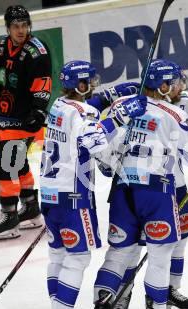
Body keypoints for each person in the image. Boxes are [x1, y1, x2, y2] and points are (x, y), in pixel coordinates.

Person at [93, 59, 188, 309]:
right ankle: (155, 304)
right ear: (163, 86)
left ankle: (104, 302)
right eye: (175, 83)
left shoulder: (122, 105)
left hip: (123, 191)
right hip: (157, 192)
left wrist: (109, 164)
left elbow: (101, 146)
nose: (180, 87)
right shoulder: (174, 114)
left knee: (118, 253)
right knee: (160, 256)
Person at [40, 60, 147, 309]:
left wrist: (108, 98)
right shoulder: (84, 113)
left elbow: (81, 113)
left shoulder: (58, 105)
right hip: (73, 196)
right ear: (80, 84)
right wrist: (120, 116)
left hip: (49, 192)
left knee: (57, 253)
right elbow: (92, 139)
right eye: (90, 80)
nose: (94, 84)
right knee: (78, 258)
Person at [0, 5, 52, 240]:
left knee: (6, 163)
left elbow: (43, 83)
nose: (21, 31)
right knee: (15, 162)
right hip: (6, 117)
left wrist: (38, 111)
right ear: (8, 28)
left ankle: (9, 217)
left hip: (25, 118)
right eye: (16, 26)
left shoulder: (37, 51)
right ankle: (30, 208)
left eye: (24, 25)